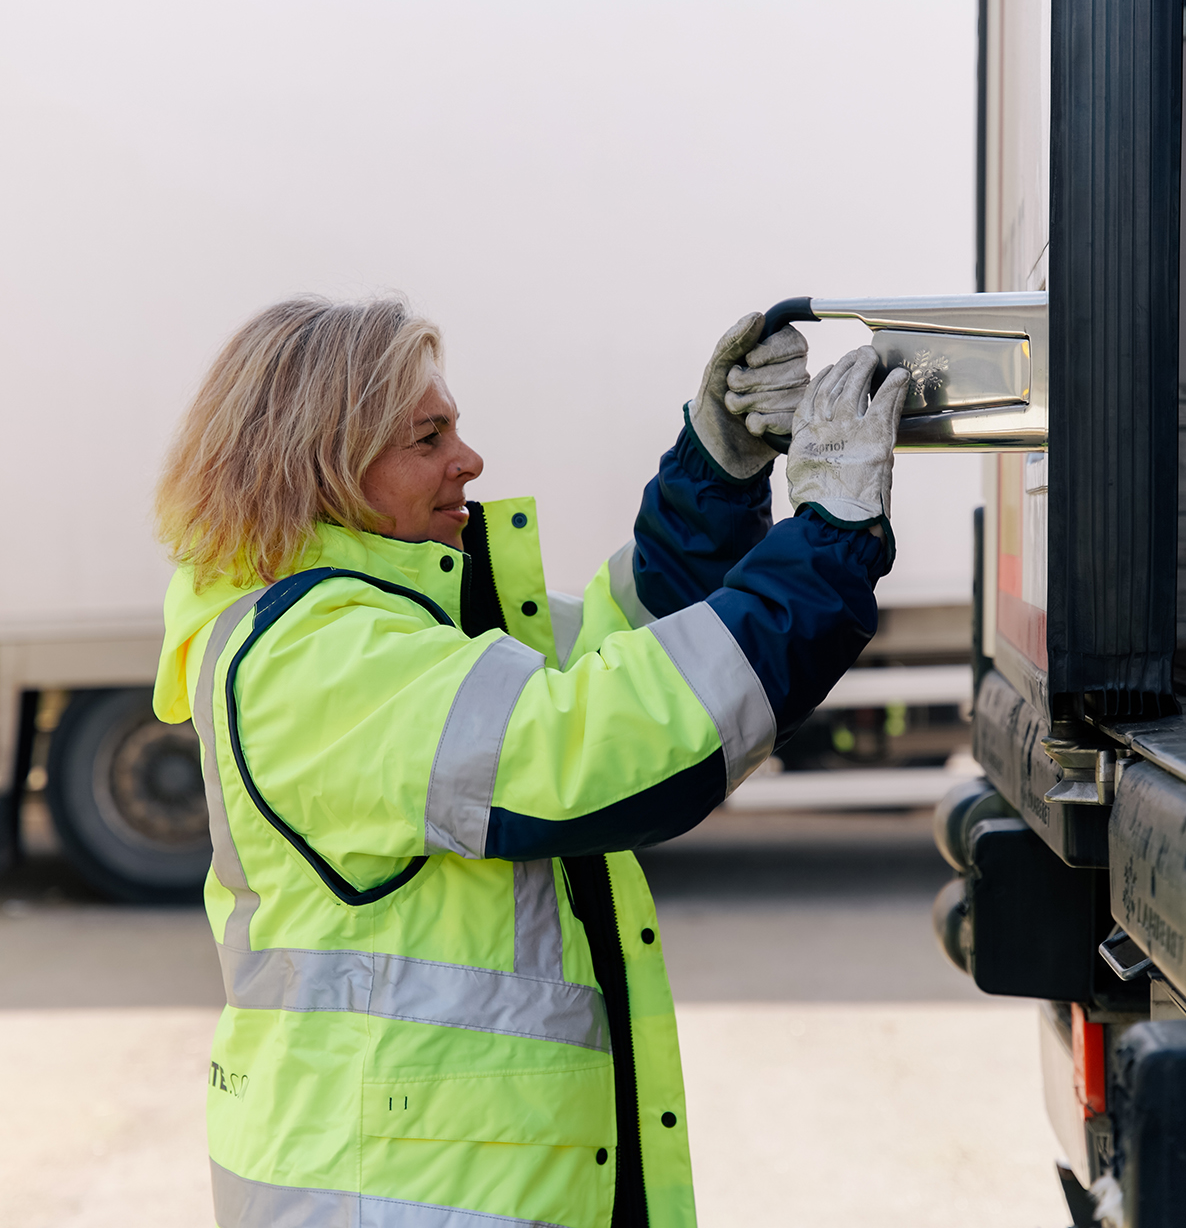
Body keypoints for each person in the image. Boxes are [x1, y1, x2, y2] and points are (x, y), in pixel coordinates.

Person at [152, 296, 907, 1228]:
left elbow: (615, 652)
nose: (467, 460)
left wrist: (716, 467)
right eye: (428, 437)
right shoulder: (316, 655)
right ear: (324, 468)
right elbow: (591, 745)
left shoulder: (395, 621)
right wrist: (828, 537)